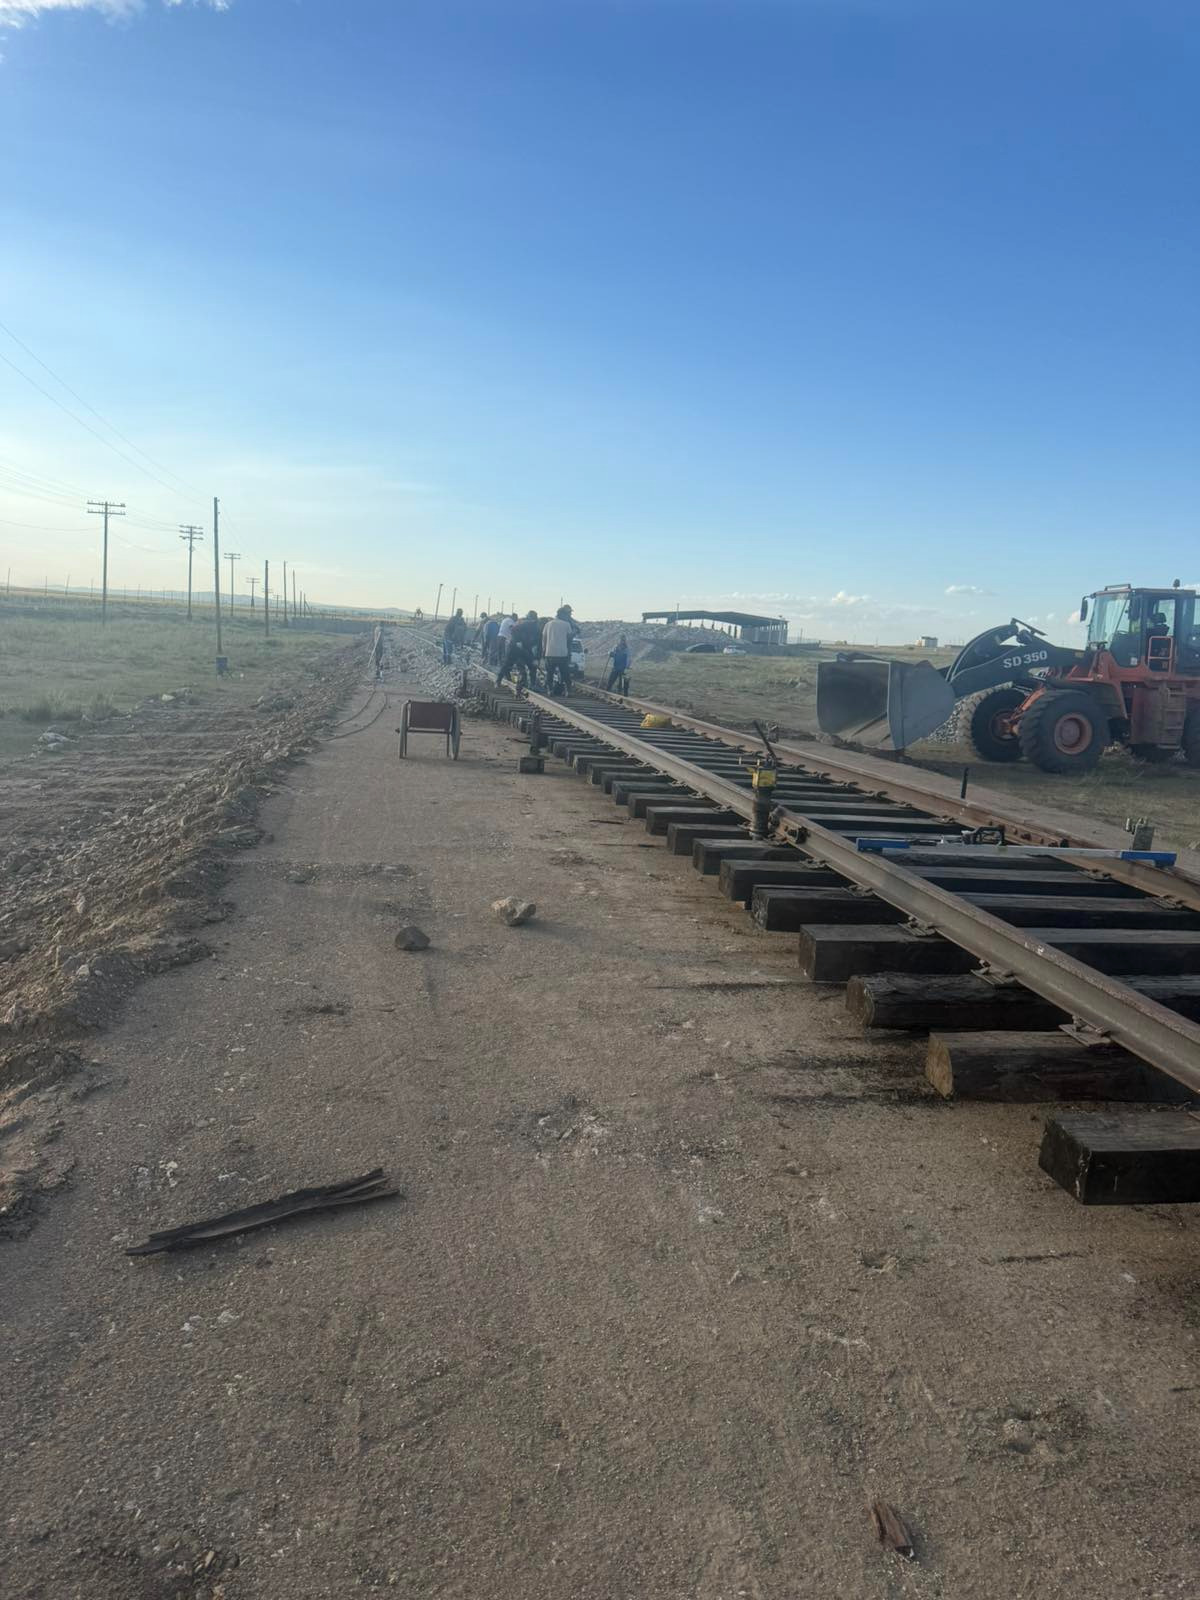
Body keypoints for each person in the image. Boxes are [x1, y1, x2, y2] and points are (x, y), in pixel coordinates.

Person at [497, 610, 542, 691]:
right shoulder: (524, 624)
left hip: (525, 648)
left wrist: (537, 658)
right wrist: (518, 641)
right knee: (507, 664)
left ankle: (532, 684)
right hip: (514, 647)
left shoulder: (537, 629)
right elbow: (513, 630)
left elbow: (539, 645)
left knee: (532, 666)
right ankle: (498, 681)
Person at [542, 607, 573, 696]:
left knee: (550, 674)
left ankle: (550, 690)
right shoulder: (566, 624)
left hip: (549, 653)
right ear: (563, 615)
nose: (568, 616)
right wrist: (568, 651)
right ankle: (568, 691)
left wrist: (544, 650)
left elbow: (544, 638)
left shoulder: (548, 624)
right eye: (567, 615)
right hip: (562, 653)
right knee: (565, 673)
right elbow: (569, 638)